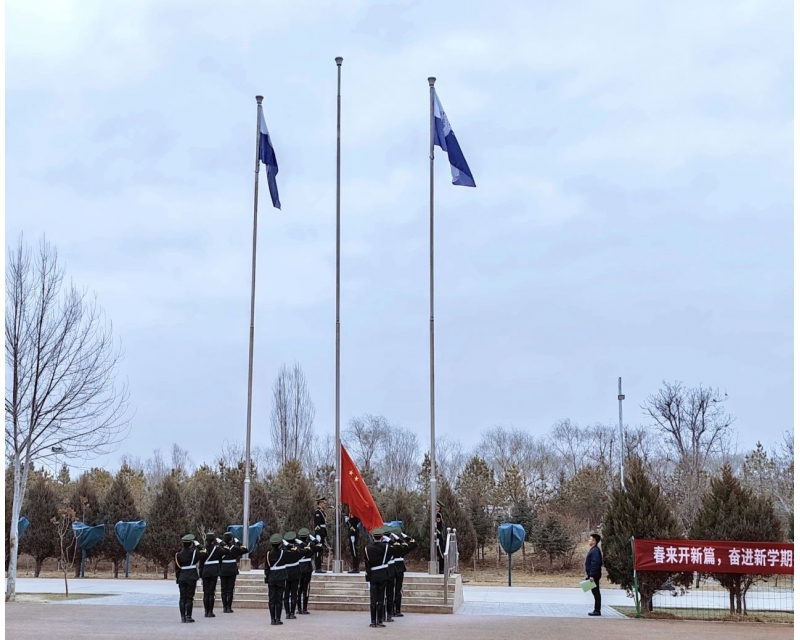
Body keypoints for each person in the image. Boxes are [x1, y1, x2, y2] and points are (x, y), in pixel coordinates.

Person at [174, 534, 207, 623]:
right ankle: (188, 616)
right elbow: (205, 552)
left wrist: (178, 579)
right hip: (191, 577)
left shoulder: (178, 555)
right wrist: (198, 544)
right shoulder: (195, 553)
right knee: (189, 598)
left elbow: (177, 569)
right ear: (191, 544)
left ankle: (182, 617)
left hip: (182, 577)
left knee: (182, 598)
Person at [364, 527, 392, 628]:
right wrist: (389, 540)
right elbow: (396, 547)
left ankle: (372, 621)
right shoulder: (385, 547)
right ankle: (379, 620)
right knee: (381, 599)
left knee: (373, 599)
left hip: (372, 576)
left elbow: (367, 566)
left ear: (373, 536)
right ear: (382, 537)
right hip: (383, 575)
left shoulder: (367, 548)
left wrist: (367, 578)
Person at [200, 532, 230, 618]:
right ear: (214, 540)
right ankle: (210, 611)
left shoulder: (204, 549)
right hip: (214, 572)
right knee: (211, 592)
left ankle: (206, 611)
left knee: (206, 592)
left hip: (205, 572)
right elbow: (228, 551)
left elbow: (201, 563)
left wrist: (201, 574)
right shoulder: (217, 549)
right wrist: (222, 542)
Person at [219, 531, 248, 613]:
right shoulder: (235, 548)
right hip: (232, 569)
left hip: (223, 569)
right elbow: (246, 549)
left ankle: (224, 607)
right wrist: (238, 542)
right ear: (231, 539)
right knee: (230, 589)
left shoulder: (221, 548)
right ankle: (229, 607)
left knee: (223, 589)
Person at [392, 531, 418, 617]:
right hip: (398, 568)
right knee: (397, 590)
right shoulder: (401, 548)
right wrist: (404, 536)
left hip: (390, 568)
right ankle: (397, 610)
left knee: (390, 590)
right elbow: (414, 543)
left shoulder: (387, 546)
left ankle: (390, 610)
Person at [296, 528, 321, 614]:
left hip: (299, 568)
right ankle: (304, 608)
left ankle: (299, 608)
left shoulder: (296, 545)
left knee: (299, 589)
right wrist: (314, 539)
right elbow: (320, 546)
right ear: (307, 537)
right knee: (305, 588)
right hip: (307, 568)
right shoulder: (311, 545)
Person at [265, 533, 288, 625]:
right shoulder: (283, 553)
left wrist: (267, 579)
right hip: (281, 578)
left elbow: (266, 568)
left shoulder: (268, 554)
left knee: (271, 599)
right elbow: (295, 551)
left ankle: (272, 619)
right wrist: (287, 544)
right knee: (279, 599)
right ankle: (278, 619)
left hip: (271, 578)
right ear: (280, 544)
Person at [282, 531, 303, 619]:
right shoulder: (297, 551)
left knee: (286, 594)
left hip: (286, 573)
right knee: (294, 594)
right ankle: (292, 613)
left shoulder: (283, 552)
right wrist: (299, 542)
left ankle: (287, 613)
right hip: (295, 573)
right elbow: (306, 548)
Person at [585, 533, 603, 616]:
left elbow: (595, 563)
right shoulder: (593, 550)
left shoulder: (595, 550)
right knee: (594, 592)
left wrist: (591, 575)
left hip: (594, 575)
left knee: (596, 592)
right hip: (592, 575)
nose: (589, 540)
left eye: (590, 539)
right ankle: (596, 610)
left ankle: (597, 610)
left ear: (594, 541)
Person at [313, 496, 328, 573]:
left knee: (321, 550)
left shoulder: (322, 512)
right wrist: (318, 535)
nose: (325, 505)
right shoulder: (318, 513)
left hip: (322, 533)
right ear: (320, 503)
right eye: (324, 503)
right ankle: (318, 568)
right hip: (319, 534)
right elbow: (317, 525)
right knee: (318, 551)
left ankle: (319, 567)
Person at [435, 503, 445, 574]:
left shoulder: (438, 514)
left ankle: (441, 568)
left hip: (438, 536)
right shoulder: (436, 514)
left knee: (441, 553)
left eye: (437, 506)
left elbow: (438, 526)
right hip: (437, 535)